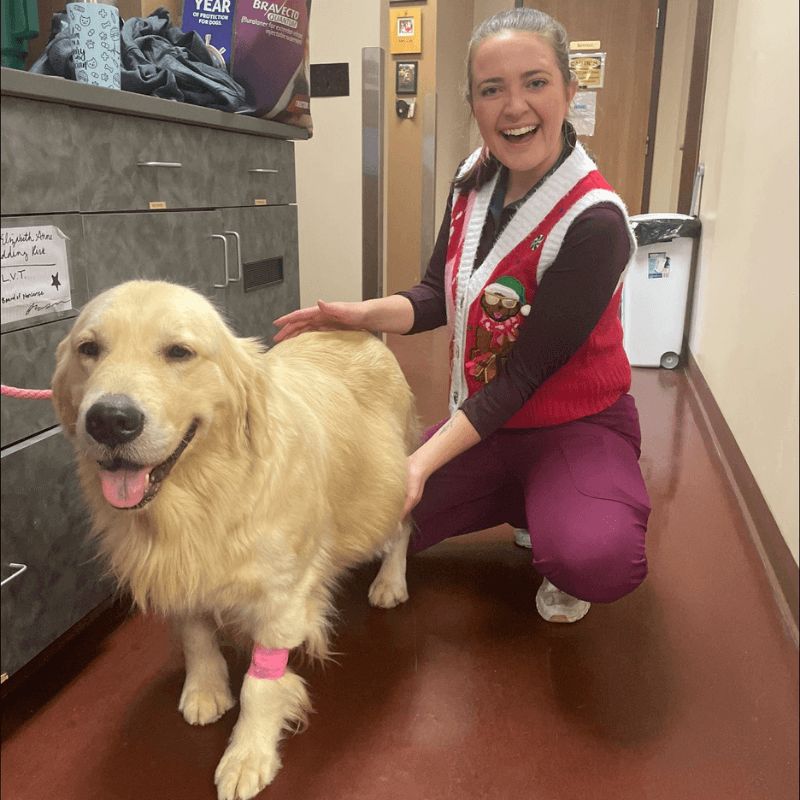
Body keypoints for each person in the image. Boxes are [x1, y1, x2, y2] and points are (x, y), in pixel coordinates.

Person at [273, 8, 651, 623]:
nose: (514, 107)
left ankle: (560, 505)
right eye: (491, 89)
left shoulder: (595, 222)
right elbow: (436, 294)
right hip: (485, 427)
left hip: (574, 426)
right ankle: (528, 501)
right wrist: (359, 314)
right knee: (360, 528)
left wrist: (418, 465)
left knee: (593, 556)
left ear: (569, 89)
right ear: (472, 103)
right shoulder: (473, 179)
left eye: (535, 82)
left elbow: (524, 376)